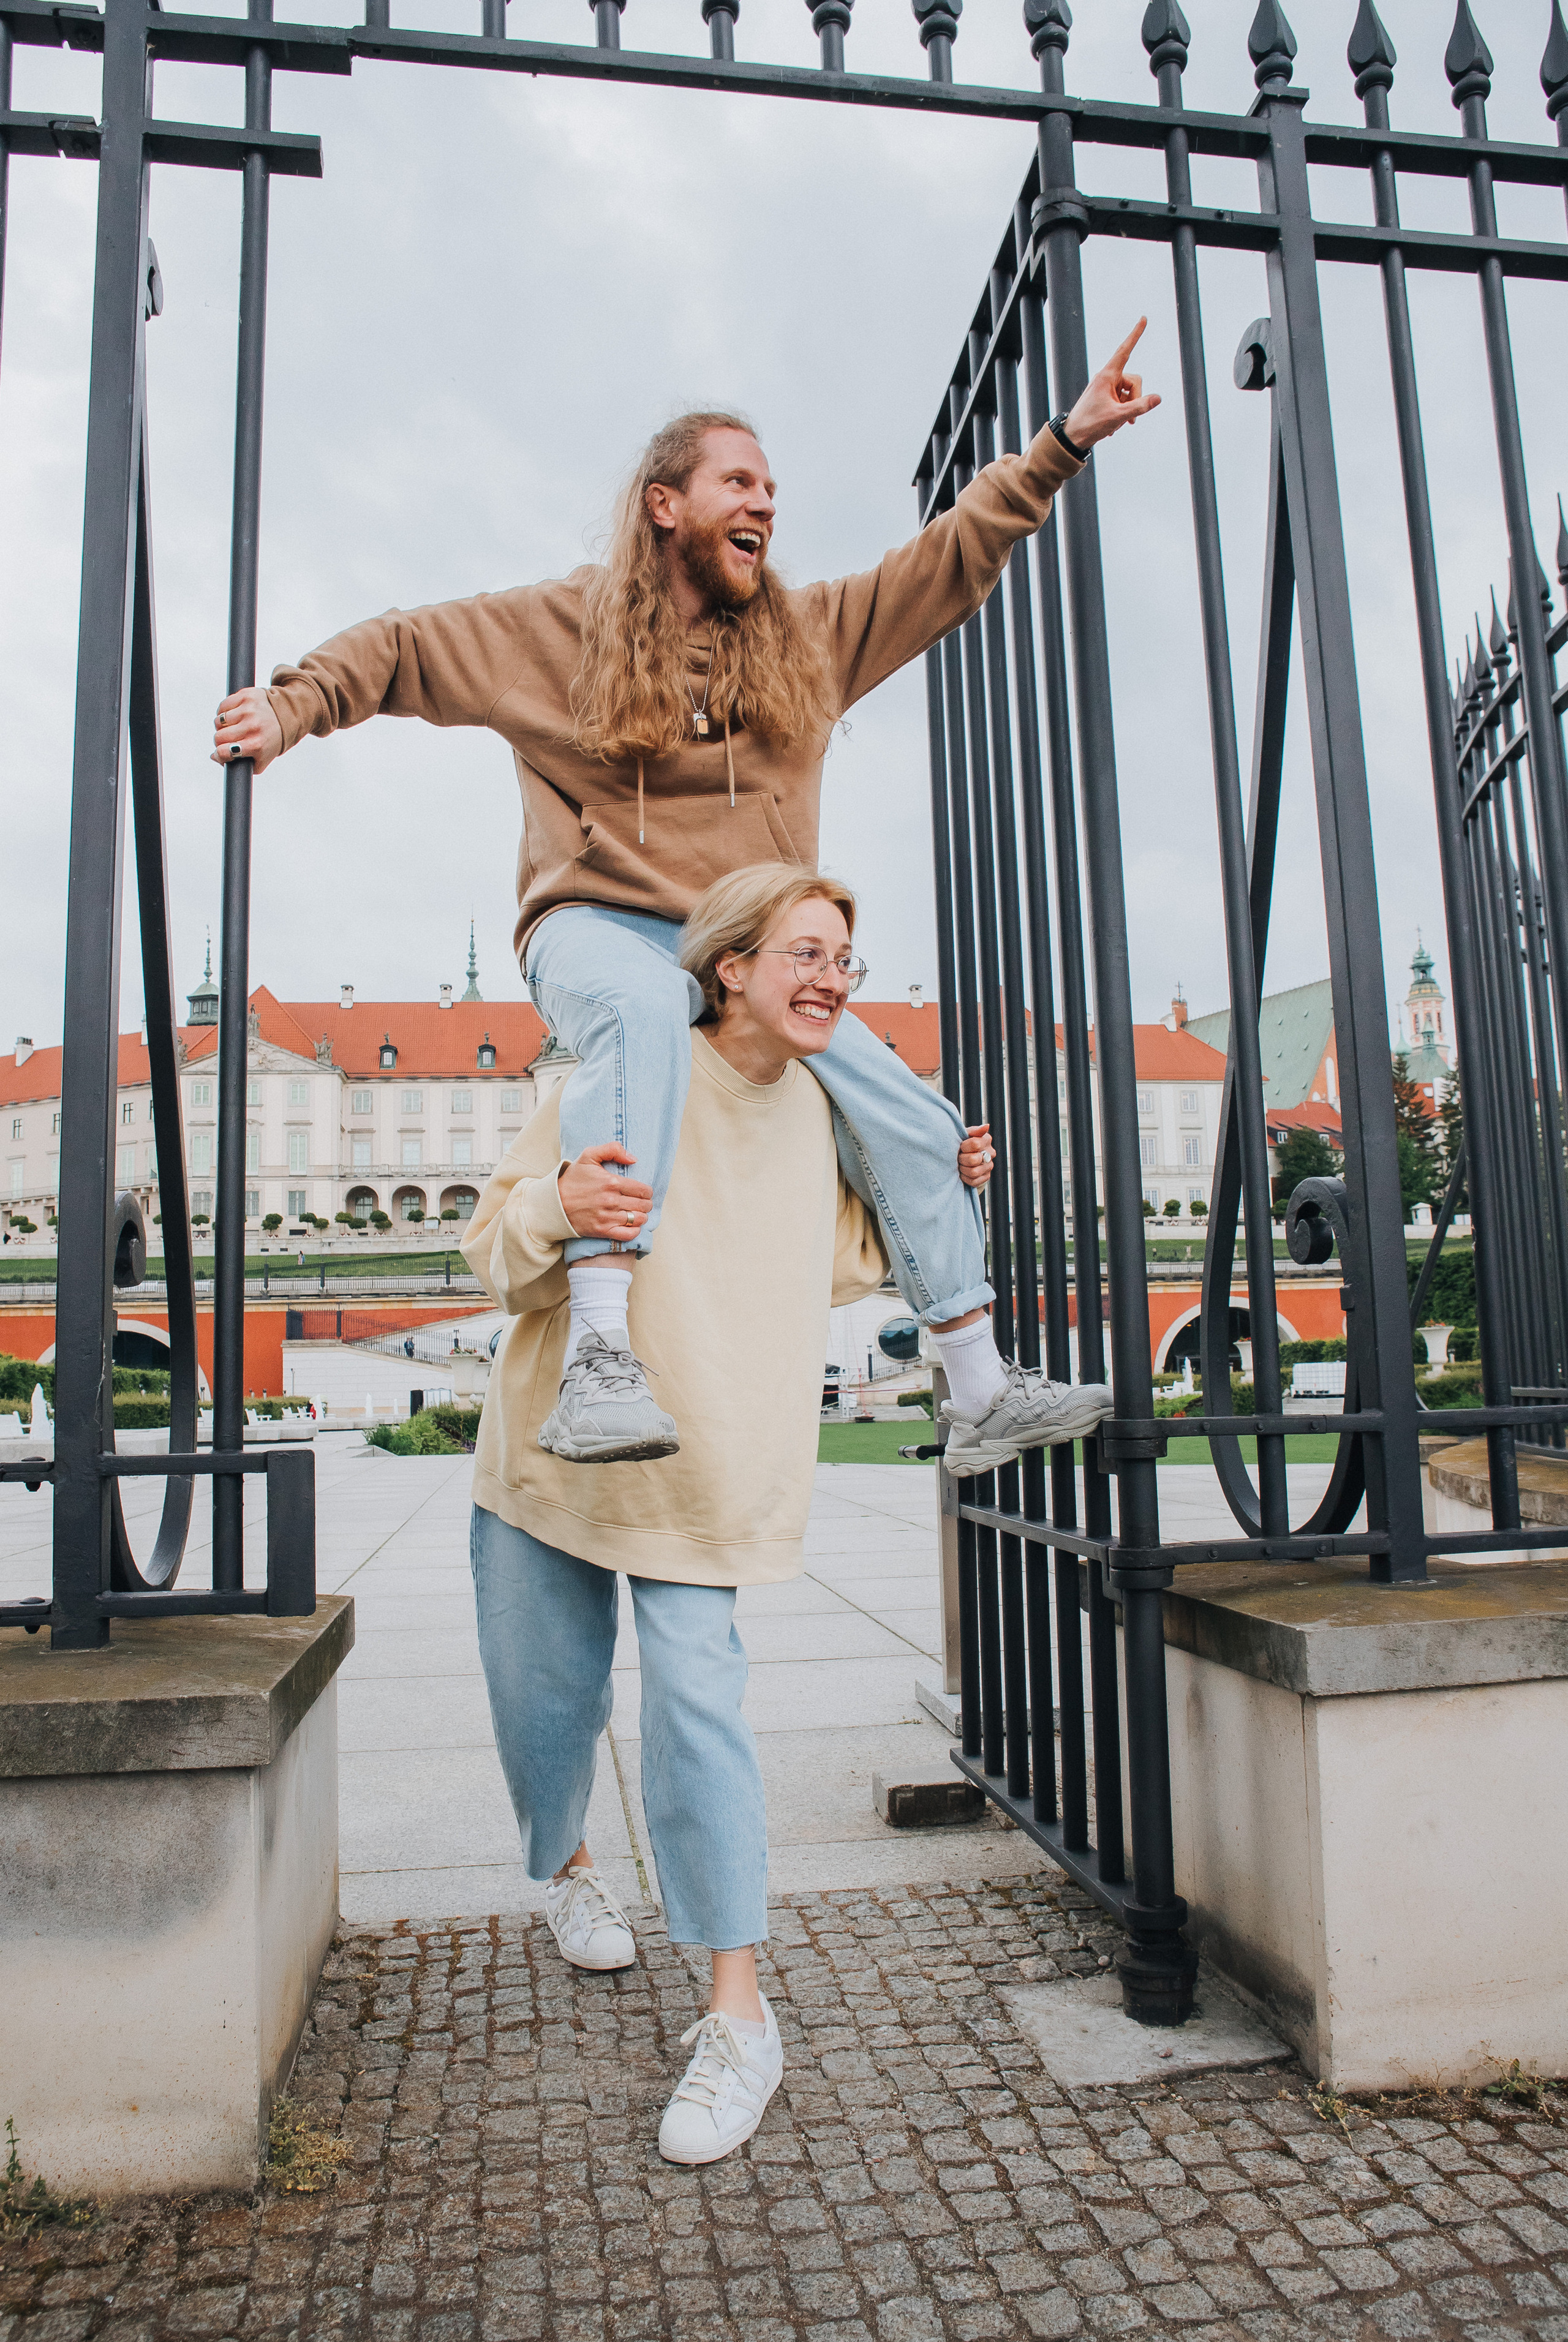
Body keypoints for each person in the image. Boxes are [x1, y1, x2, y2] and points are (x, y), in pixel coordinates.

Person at [213, 327, 1156, 1474]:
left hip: (748, 947)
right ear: (666, 505)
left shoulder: (806, 639)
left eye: (772, 488)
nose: (765, 502)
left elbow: (946, 561)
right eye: (740, 481)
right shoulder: (554, 630)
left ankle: (977, 1387)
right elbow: (409, 646)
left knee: (920, 1118)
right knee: (644, 1010)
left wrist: (1059, 445)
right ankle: (601, 1360)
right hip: (595, 923)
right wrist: (294, 705)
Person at [460, 865, 995, 2165]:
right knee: (545, 1712)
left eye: (843, 962)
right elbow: (486, 1247)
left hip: (707, 1472)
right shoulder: (620, 1072)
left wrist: (942, 1175)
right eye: (801, 954)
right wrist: (556, 1207)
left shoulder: (819, 1108)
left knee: (699, 1715)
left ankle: (737, 2013)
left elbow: (843, 1261)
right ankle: (568, 1863)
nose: (829, 981)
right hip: (554, 1457)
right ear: (729, 969)